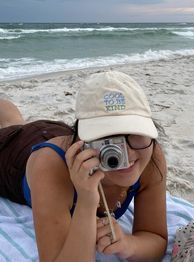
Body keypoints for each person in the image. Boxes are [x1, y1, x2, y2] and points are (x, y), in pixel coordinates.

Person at [0, 71, 168, 262]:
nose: (124, 152)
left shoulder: (150, 153)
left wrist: (129, 245)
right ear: (81, 140)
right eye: (107, 138)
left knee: (15, 123)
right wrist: (86, 200)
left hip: (54, 131)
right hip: (13, 155)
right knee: (10, 128)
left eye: (135, 132)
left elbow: (156, 238)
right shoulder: (52, 166)